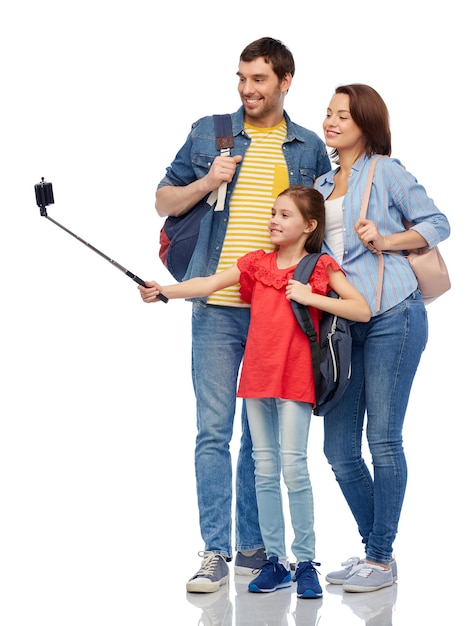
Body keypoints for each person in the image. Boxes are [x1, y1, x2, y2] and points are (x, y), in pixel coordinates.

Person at [154, 37, 331, 593]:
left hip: (276, 315)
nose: (248, 89)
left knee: (262, 440)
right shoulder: (212, 133)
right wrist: (208, 181)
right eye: (241, 78)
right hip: (215, 304)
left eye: (259, 79)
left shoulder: (306, 149)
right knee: (213, 431)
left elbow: (319, 229)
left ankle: (255, 547)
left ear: (285, 82)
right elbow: (163, 199)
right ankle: (214, 550)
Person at [140, 186, 371, 598]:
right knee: (265, 471)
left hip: (296, 379)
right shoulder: (256, 263)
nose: (274, 221)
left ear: (309, 225)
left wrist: (312, 296)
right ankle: (276, 562)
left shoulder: (320, 266)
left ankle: (305, 564)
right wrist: (164, 291)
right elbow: (209, 282)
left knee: (294, 469)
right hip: (258, 380)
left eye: (284, 215)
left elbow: (361, 308)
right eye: (273, 213)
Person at [315, 83, 451, 593]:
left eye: (343, 116)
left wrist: (386, 239)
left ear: (365, 123)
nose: (331, 122)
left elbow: (440, 223)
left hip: (395, 312)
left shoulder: (387, 171)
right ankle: (378, 552)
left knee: (383, 439)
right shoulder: (324, 182)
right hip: (345, 324)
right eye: (328, 113)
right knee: (339, 448)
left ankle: (379, 556)